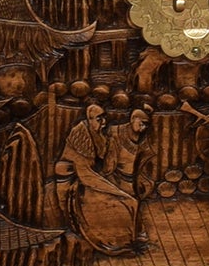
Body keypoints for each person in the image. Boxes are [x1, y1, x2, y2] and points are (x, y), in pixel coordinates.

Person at [56, 102, 139, 255]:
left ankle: (126, 241)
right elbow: (85, 174)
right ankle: (113, 244)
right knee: (118, 202)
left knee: (127, 200)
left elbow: (106, 168)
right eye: (99, 119)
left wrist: (111, 146)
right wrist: (116, 191)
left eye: (104, 118)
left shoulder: (98, 135)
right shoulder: (80, 135)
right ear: (89, 119)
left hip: (88, 178)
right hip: (75, 181)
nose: (104, 122)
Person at [103, 106, 155, 250]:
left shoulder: (142, 139)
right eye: (142, 123)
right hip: (115, 177)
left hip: (131, 179)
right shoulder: (115, 132)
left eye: (146, 125)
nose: (144, 128)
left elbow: (143, 161)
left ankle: (136, 236)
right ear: (133, 119)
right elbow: (108, 161)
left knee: (134, 206)